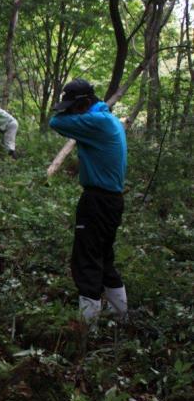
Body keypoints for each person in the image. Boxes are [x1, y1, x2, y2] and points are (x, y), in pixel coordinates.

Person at [49, 78, 128, 327]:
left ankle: (86, 329)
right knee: (104, 259)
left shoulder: (98, 122)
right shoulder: (108, 120)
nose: (69, 111)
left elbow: (55, 122)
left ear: (84, 103)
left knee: (86, 260)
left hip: (97, 201)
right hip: (111, 202)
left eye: (72, 106)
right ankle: (122, 318)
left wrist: (70, 114)